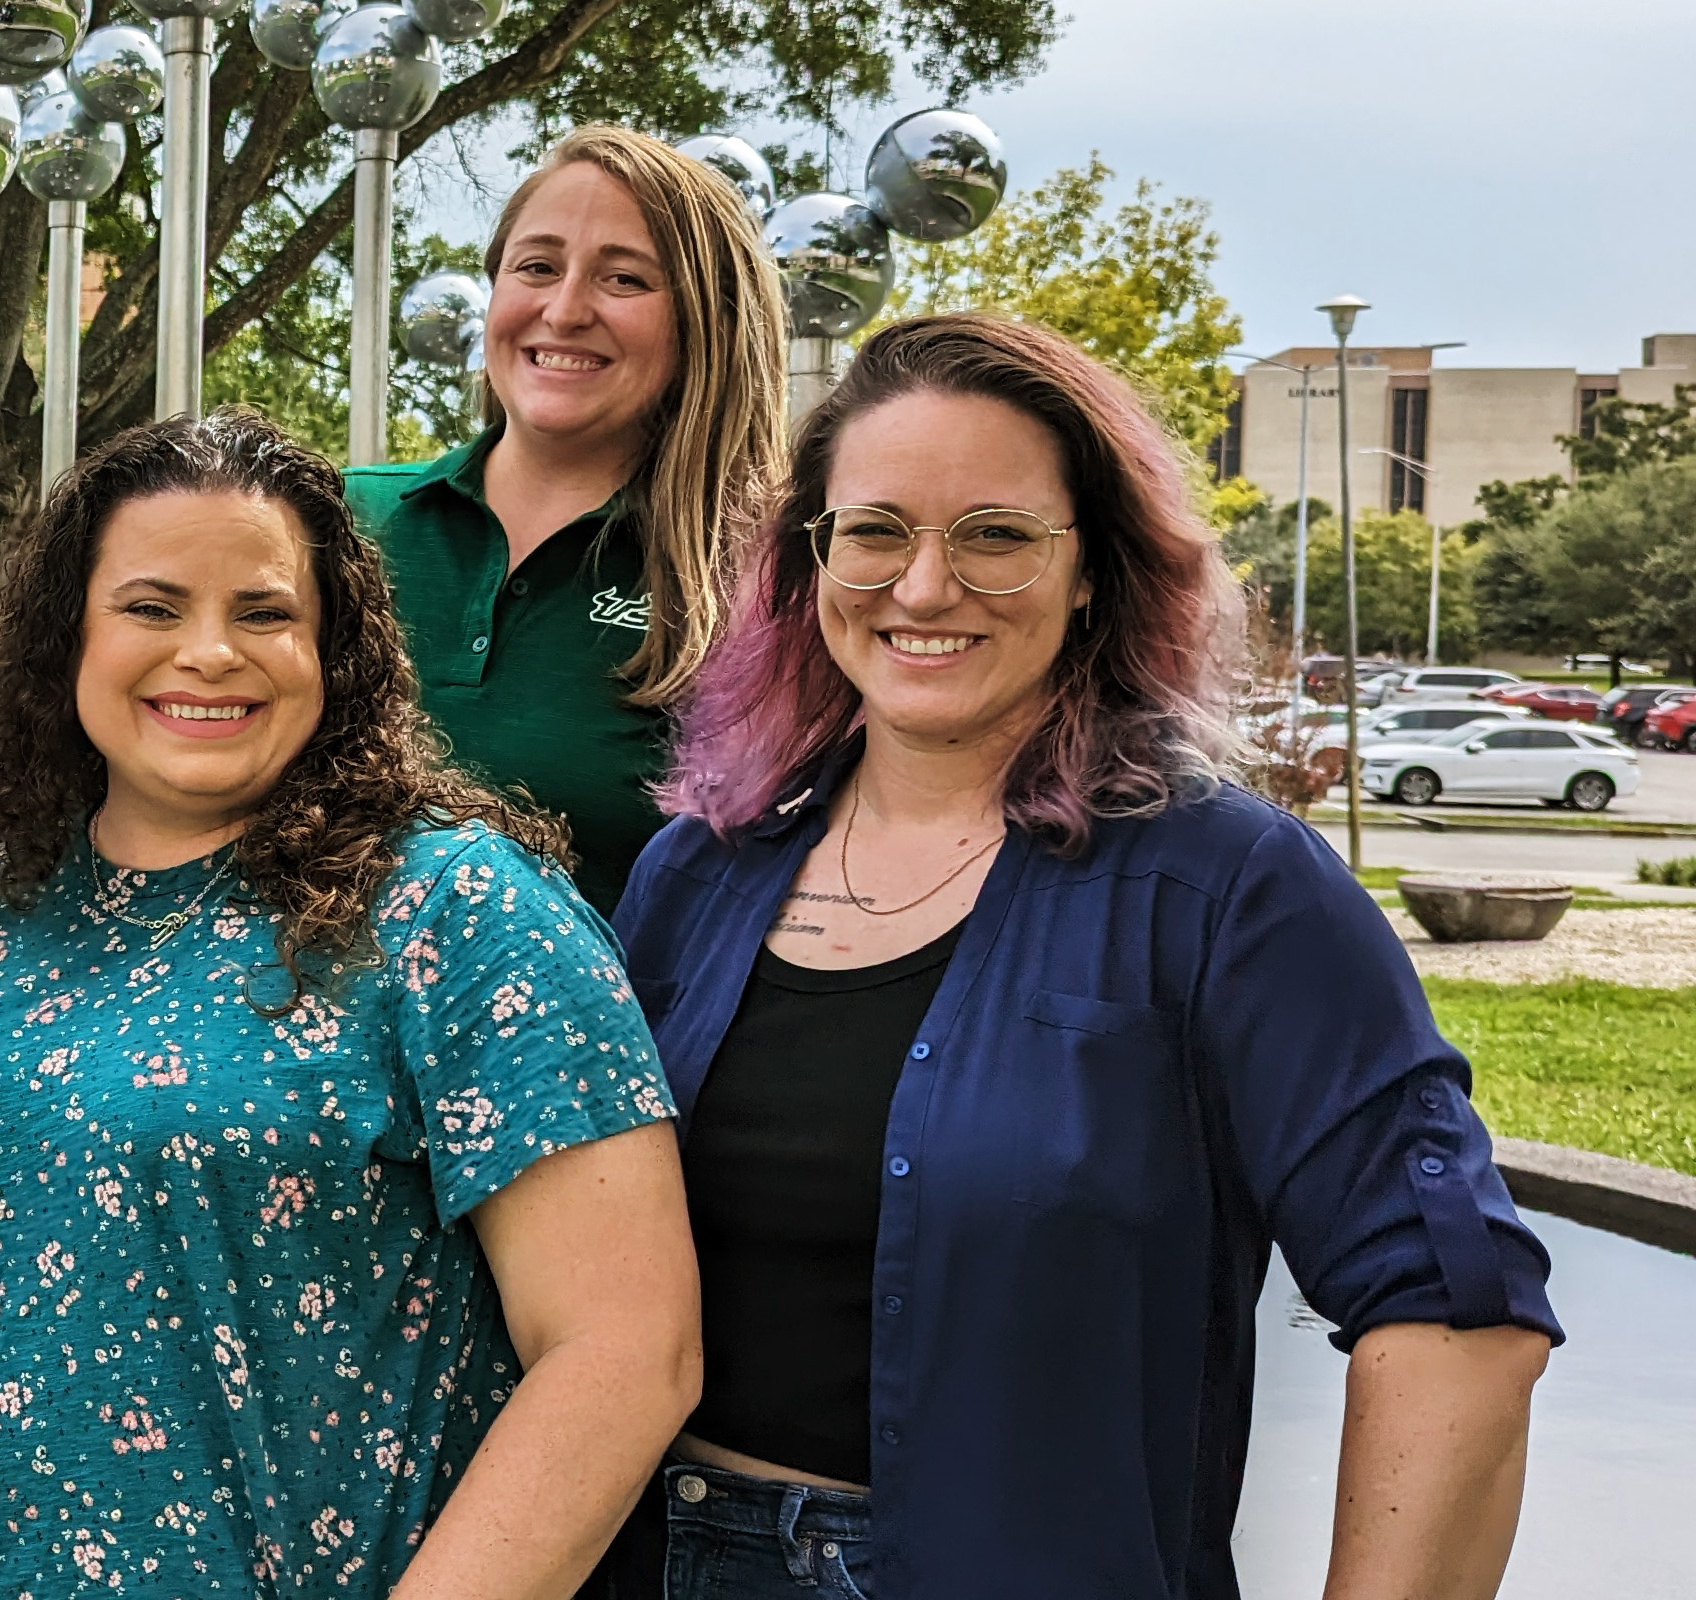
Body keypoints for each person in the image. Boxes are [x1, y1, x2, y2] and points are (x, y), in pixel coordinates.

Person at [609, 313, 1557, 1598]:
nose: (924, 587)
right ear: (810, 561)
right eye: (875, 530)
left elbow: (1457, 1313)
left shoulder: (1232, 892)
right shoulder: (698, 873)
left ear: (1094, 569)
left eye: (995, 536)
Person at [0, 408, 700, 1598]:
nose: (209, 652)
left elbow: (626, 1352)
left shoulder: (456, 911)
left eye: (264, 613)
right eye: (152, 608)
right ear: (67, 641)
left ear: (337, 649)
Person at [348, 125, 790, 915]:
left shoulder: (761, 581)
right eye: (537, 267)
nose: (564, 308)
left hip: (597, 1035)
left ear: (707, 325)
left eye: (624, 279)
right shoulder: (337, 520)